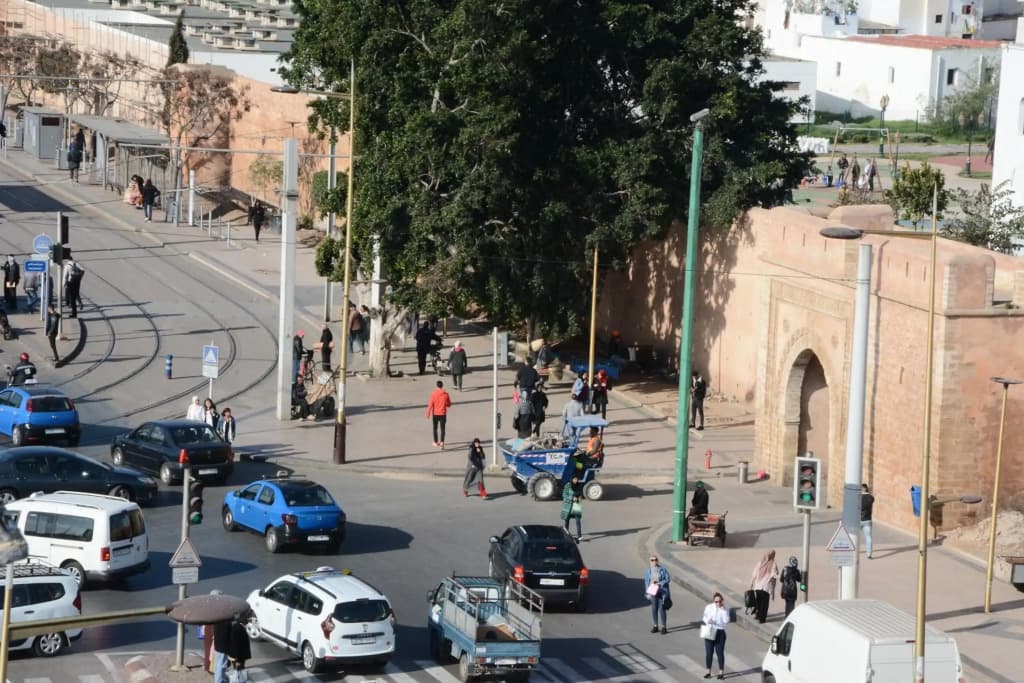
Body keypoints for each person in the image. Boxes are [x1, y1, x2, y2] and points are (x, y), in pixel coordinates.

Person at [701, 592, 730, 680]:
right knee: (709, 652)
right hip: (710, 630)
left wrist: (723, 610)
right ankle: (708, 671)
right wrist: (708, 620)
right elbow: (704, 617)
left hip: (720, 632)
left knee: (720, 653)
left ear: (722, 601)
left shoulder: (726, 609)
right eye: (716, 601)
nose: (718, 603)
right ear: (714, 601)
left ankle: (721, 672)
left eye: (719, 601)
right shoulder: (709, 607)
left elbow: (726, 621)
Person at [749, 549, 779, 624]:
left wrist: (752, 582)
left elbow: (755, 572)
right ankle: (762, 619)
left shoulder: (761, 562)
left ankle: (757, 615)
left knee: (758, 602)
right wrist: (776, 576)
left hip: (758, 586)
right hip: (766, 587)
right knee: (764, 604)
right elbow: (774, 574)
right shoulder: (773, 563)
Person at [644, 555, 670, 634]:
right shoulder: (648, 571)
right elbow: (647, 581)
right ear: (650, 562)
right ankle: (655, 626)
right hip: (653, 591)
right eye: (652, 560)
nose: (654, 561)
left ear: (657, 561)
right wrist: (648, 592)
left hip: (661, 592)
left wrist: (660, 583)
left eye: (655, 560)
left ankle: (664, 627)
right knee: (654, 609)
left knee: (662, 609)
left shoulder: (663, 569)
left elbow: (667, 579)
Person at [426, 380, 451, 449]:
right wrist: (445, 404)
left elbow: (430, 405)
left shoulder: (433, 394)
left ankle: (436, 442)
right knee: (443, 429)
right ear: (442, 386)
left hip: (435, 414)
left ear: (436, 386)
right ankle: (442, 443)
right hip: (443, 414)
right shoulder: (446, 394)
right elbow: (449, 404)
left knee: (435, 428)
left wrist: (428, 414)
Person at [226, 615, 252, 682]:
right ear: (242, 620)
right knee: (239, 670)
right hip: (238, 656)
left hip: (237, 655)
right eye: (247, 619)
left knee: (238, 669)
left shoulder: (238, 626)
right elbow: (237, 645)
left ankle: (239, 680)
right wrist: (238, 660)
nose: (248, 621)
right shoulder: (238, 628)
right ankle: (239, 681)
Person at [560, 475, 583, 542]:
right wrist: (571, 498)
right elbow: (564, 494)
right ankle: (566, 533)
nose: (575, 480)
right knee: (567, 520)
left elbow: (580, 493)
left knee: (578, 520)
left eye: (577, 479)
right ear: (572, 479)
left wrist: (577, 497)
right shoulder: (568, 485)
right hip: (568, 505)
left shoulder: (579, 485)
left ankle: (579, 535)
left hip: (576, 505)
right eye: (574, 479)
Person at [211, 613, 232, 683]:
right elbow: (229, 634)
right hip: (223, 646)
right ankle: (219, 681)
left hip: (218, 644)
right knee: (221, 665)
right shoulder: (227, 620)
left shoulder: (218, 618)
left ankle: (222, 680)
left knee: (218, 664)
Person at [861, 483, 875, 559]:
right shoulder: (871, 497)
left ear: (863, 489)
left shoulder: (858, 497)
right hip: (868, 520)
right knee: (868, 537)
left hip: (858, 520)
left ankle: (852, 551)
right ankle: (869, 554)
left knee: (853, 536)